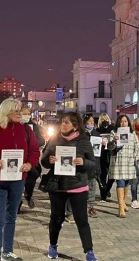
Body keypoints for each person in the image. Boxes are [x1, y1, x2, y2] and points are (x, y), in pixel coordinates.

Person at [0, 98, 40, 261]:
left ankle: (8, 251)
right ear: (6, 112)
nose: (20, 114)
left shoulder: (27, 130)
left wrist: (29, 164)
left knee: (11, 216)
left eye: (20, 110)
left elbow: (34, 151)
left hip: (18, 180)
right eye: (16, 111)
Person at [40, 112, 98, 261]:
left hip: (78, 185)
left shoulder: (84, 140)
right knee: (56, 218)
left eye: (67, 123)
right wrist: (49, 160)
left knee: (82, 220)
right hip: (58, 185)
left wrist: (83, 162)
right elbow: (44, 161)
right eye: (62, 122)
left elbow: (93, 164)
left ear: (75, 126)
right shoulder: (54, 140)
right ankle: (53, 246)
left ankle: (89, 251)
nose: (63, 125)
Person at [108, 115, 139, 218]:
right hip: (118, 162)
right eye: (121, 121)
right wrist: (114, 141)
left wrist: (135, 157)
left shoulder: (132, 134)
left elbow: (138, 147)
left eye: (125, 121)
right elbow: (109, 147)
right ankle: (121, 207)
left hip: (129, 162)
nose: (123, 123)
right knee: (120, 183)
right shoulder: (114, 133)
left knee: (127, 183)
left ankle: (124, 201)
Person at [20, 107, 45, 210]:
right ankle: (17, 204)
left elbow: (41, 141)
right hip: (18, 159)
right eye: (24, 113)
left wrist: (32, 143)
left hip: (30, 160)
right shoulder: (14, 126)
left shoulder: (33, 126)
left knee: (30, 181)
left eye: (28, 114)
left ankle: (28, 195)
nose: (26, 116)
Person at [83, 114, 101, 218]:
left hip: (94, 163)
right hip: (84, 163)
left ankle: (90, 207)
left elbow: (98, 152)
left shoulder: (96, 134)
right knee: (84, 186)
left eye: (92, 121)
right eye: (89, 121)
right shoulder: (81, 134)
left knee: (92, 187)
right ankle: (83, 207)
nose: (91, 123)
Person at [97, 113, 115, 202]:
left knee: (112, 176)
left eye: (106, 119)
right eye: (103, 119)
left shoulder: (112, 129)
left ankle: (106, 189)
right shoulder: (97, 130)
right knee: (103, 175)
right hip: (101, 155)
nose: (105, 121)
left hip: (111, 154)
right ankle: (103, 195)